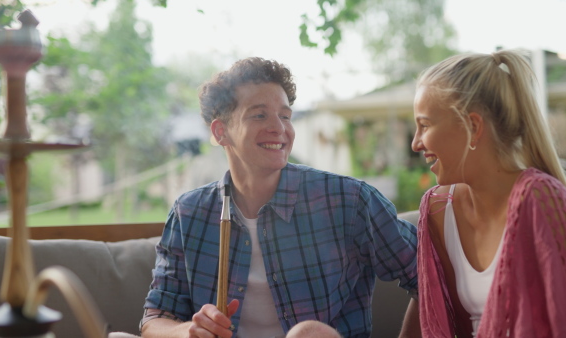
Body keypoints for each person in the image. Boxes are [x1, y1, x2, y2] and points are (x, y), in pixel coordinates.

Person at [140, 57, 419, 338]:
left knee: (306, 334)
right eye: (259, 115)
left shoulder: (349, 201)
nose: (279, 127)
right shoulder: (189, 213)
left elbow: (430, 275)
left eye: (285, 115)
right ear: (220, 132)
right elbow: (155, 319)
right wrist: (191, 331)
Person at [411, 49, 566, 337]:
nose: (415, 143)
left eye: (424, 125)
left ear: (473, 126)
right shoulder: (436, 209)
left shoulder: (541, 199)